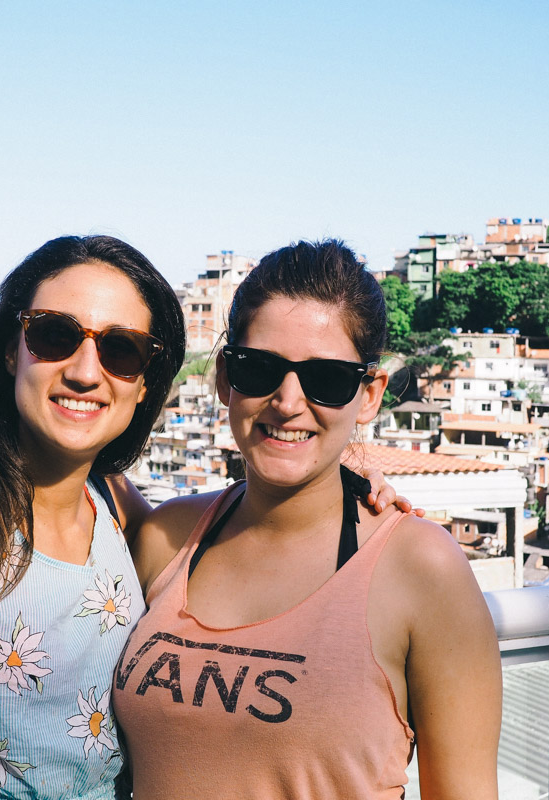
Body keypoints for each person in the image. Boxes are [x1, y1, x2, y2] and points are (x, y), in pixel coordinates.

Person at [0, 235, 412, 800]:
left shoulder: (113, 506)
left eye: (120, 349)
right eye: (55, 335)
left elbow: (250, 526)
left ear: (142, 383)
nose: (85, 371)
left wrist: (352, 488)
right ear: (13, 349)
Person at [115, 240, 503, 799]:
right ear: (225, 378)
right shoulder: (164, 538)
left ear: (368, 396)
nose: (289, 401)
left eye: (326, 379)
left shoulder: (421, 570)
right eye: (260, 369)